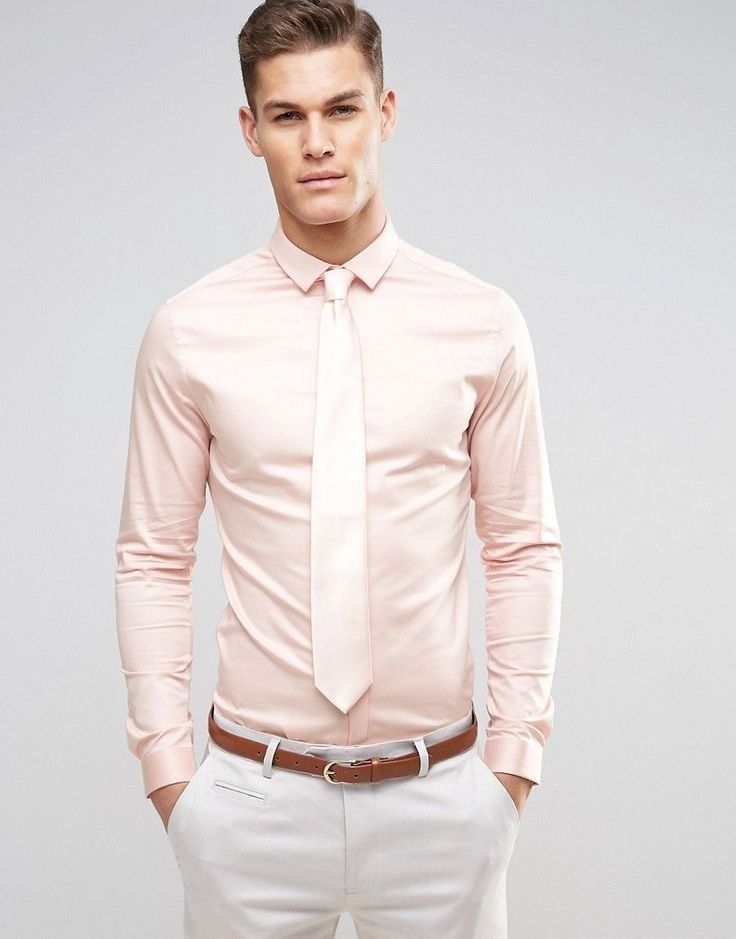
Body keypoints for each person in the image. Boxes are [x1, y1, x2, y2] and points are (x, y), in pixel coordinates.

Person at [114, 1, 563, 935]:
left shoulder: (482, 322)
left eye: (342, 109)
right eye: (288, 115)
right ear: (251, 130)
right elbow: (152, 556)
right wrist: (171, 778)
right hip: (252, 805)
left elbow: (522, 546)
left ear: (385, 113)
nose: (318, 142)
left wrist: (511, 768)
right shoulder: (189, 331)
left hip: (443, 801)